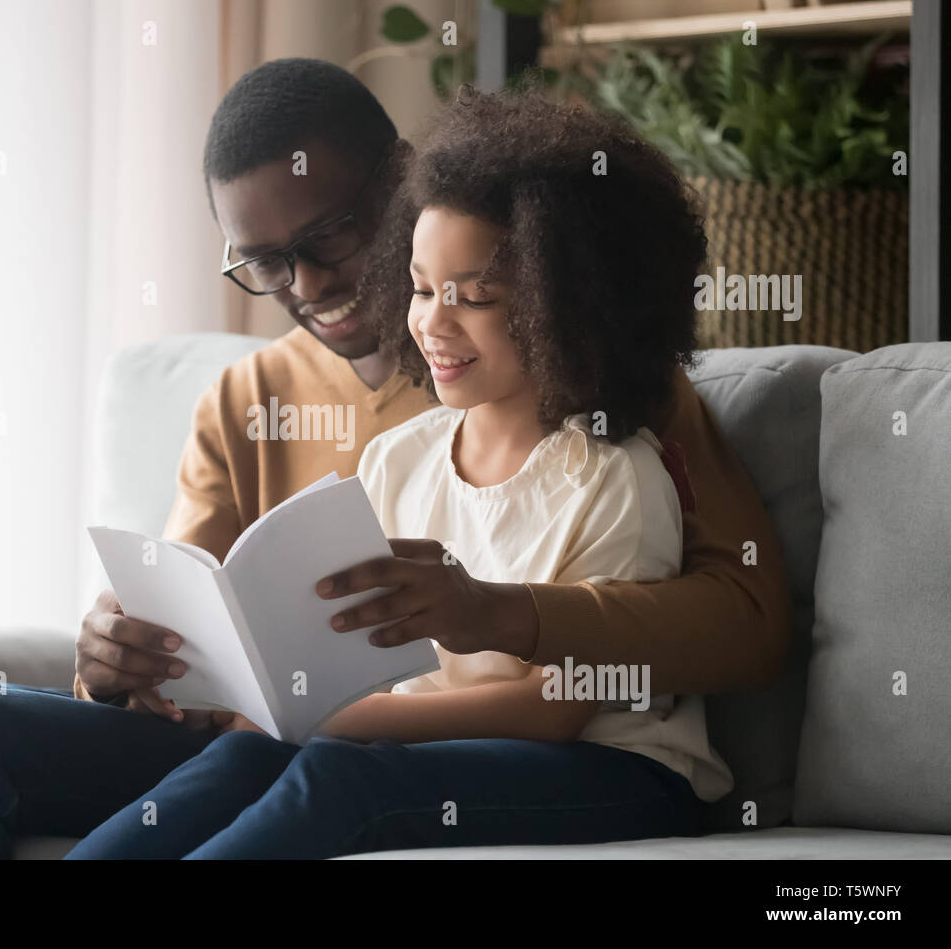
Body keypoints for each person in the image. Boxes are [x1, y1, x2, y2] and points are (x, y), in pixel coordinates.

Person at [0, 60, 787, 860]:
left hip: (343, 741)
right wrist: (114, 654)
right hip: (231, 737)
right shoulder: (243, 397)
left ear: (402, 187)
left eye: (328, 240)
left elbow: (740, 615)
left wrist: (492, 618)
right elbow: (175, 655)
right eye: (264, 264)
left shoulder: (584, 389)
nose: (309, 288)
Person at [62, 83, 736, 858]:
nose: (431, 321)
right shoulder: (398, 458)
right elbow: (371, 668)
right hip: (430, 751)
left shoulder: (614, 475)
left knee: (333, 776)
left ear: (568, 306)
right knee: (250, 754)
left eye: (474, 297)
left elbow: (558, 708)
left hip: (614, 771)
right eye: (417, 289)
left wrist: (332, 723)